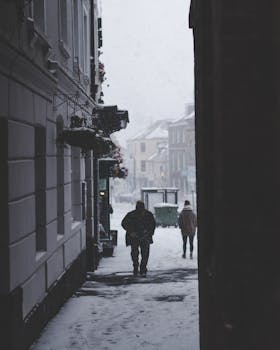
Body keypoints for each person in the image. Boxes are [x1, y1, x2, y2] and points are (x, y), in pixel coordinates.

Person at [121, 200, 156, 277]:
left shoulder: (131, 214)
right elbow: (153, 225)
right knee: (144, 253)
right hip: (143, 237)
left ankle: (136, 266)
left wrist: (131, 232)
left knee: (135, 253)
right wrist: (149, 233)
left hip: (135, 237)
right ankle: (142, 267)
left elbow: (124, 223)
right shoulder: (148, 214)